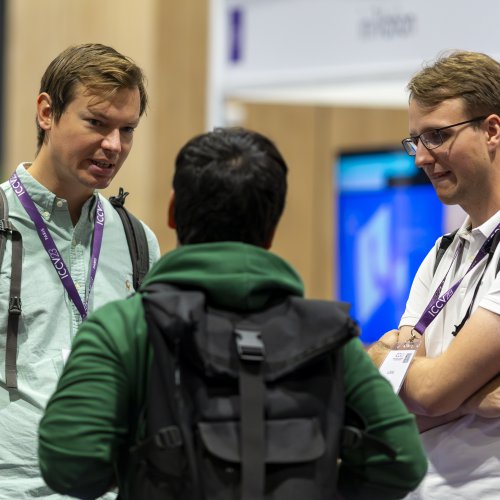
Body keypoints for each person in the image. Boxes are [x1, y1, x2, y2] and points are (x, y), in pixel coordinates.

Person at [38, 127, 426, 499]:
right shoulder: (331, 336)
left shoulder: (122, 328)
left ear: (173, 211)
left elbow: (69, 465)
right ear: (271, 228)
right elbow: (402, 461)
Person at [0, 43, 160, 497]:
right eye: (96, 123)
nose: (114, 145)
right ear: (46, 113)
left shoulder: (137, 241)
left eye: (127, 129)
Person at [368, 50, 500, 499]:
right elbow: (397, 401)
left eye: (437, 136)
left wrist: (440, 389)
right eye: (416, 141)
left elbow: (431, 393)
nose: (421, 158)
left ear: (492, 131)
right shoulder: (442, 254)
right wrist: (475, 397)